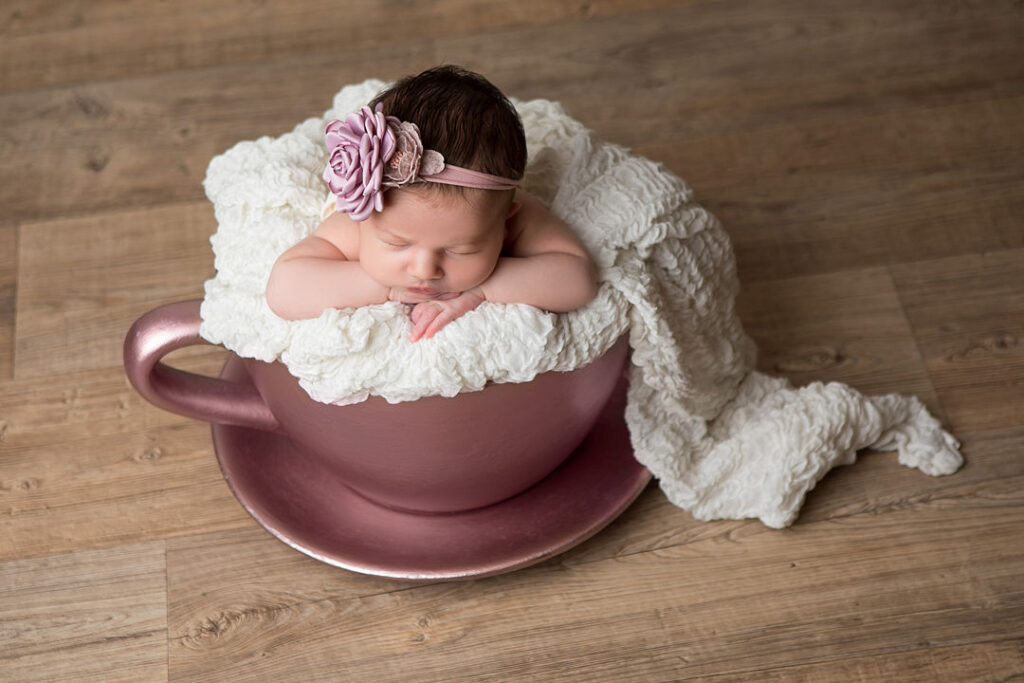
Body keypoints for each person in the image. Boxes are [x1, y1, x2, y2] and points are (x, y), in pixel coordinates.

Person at [265, 65, 598, 342]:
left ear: (505, 218)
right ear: (363, 217)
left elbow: (577, 279)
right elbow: (285, 288)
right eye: (396, 243)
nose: (424, 270)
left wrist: (482, 290)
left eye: (460, 249)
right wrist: (386, 289)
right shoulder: (363, 217)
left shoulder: (503, 211)